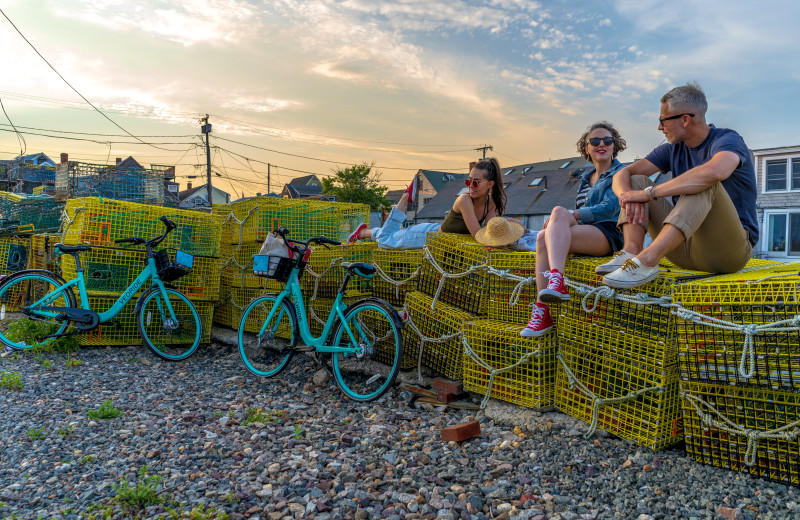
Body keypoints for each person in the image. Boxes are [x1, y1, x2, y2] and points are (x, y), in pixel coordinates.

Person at [597, 82, 758, 289]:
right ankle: (631, 252)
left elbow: (716, 172)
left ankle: (647, 260)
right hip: (683, 250)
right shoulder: (672, 149)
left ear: (684, 120)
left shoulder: (728, 139)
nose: (659, 127)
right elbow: (623, 173)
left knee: (703, 181)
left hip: (727, 253)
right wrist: (628, 195)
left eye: (663, 120)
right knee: (636, 180)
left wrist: (650, 194)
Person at [521, 122, 627, 337]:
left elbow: (611, 207)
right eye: (595, 141)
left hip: (609, 232)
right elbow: (577, 214)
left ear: (615, 146)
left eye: (608, 140)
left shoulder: (622, 172)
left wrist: (569, 216)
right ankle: (542, 312)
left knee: (559, 211)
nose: (602, 144)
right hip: (587, 231)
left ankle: (556, 280)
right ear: (586, 148)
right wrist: (557, 225)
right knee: (543, 236)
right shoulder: (586, 178)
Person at [348, 158, 508, 249]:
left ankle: (364, 232)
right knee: (385, 242)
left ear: (490, 184)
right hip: (425, 237)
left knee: (391, 235)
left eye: (476, 182)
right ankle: (405, 198)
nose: (470, 186)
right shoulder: (464, 200)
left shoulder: (491, 202)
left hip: (439, 237)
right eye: (469, 181)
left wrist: (510, 226)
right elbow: (478, 235)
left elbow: (489, 232)